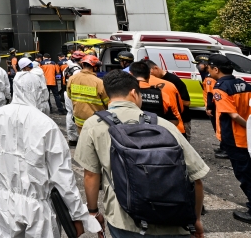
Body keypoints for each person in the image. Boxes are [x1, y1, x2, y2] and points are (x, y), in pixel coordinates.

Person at [75, 69, 208, 237]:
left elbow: (91, 175)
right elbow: (196, 178)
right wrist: (195, 220)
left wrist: (93, 211)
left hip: (125, 220)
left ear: (108, 95)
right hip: (174, 220)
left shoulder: (94, 125)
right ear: (134, 93)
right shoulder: (163, 124)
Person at [0, 62, 101, 238]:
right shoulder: (45, 124)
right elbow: (62, 177)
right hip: (38, 208)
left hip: (5, 200)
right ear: (39, 91)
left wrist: (3, 185)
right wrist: (77, 213)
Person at [210, 54, 251, 223]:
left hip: (236, 138)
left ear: (216, 69)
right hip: (247, 139)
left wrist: (248, 128)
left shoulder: (221, 88)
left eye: (210, 68)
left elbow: (233, 115)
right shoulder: (244, 84)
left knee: (245, 175)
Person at [129, 61, 185, 135]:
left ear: (130, 74)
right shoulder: (163, 94)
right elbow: (175, 118)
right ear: (149, 75)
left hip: (132, 137)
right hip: (158, 136)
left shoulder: (125, 94)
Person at [148, 60, 192, 138]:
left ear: (156, 68)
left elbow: (187, 102)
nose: (150, 77)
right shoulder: (149, 81)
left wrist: (168, 99)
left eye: (151, 74)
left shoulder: (174, 80)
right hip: (165, 119)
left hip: (182, 118)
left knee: (184, 142)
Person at [66, 55, 108, 132]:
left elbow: (69, 96)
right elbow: (107, 102)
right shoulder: (99, 82)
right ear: (95, 67)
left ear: (82, 65)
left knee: (83, 142)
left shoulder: (72, 79)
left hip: (79, 121)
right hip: (95, 122)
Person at [196, 54, 227, 158]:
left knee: (219, 127)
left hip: (214, 106)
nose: (198, 66)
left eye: (199, 64)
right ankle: (223, 147)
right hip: (215, 105)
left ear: (205, 65)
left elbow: (210, 93)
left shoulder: (209, 78)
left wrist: (209, 107)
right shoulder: (207, 76)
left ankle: (225, 149)